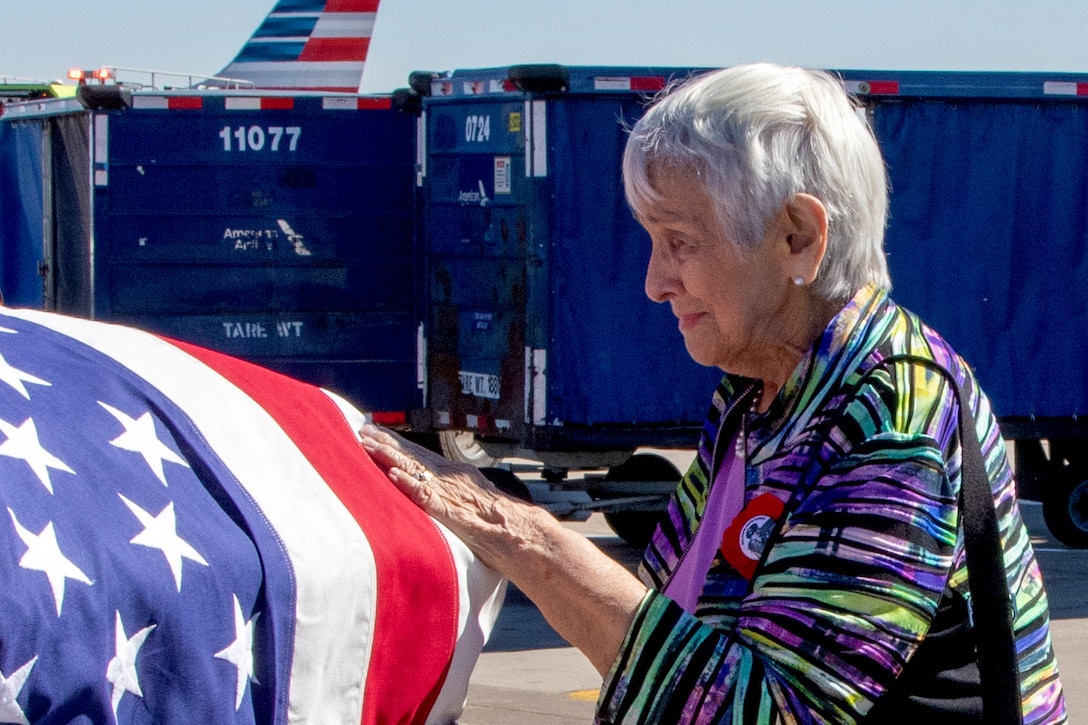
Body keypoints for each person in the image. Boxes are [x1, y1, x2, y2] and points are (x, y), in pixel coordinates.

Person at [360, 62, 1066, 723]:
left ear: (797, 237)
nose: (654, 281)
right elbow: (679, 619)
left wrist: (529, 538)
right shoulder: (760, 398)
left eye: (680, 242)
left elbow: (764, 710)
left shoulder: (892, 409)